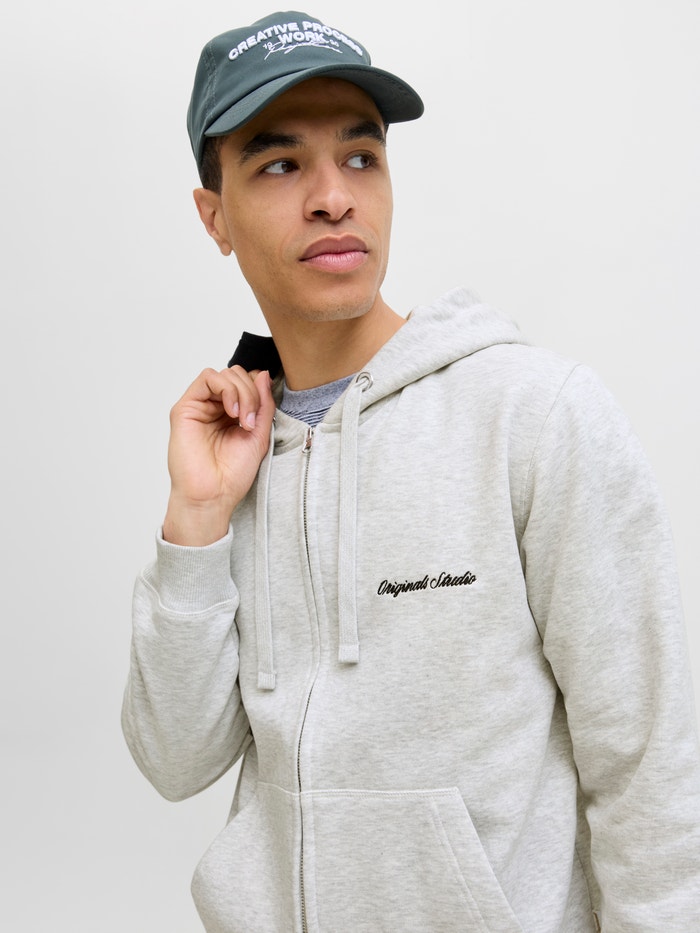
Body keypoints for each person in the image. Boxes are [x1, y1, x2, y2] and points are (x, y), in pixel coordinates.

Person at [122, 10, 700, 932]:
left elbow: (652, 767)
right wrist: (196, 519)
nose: (333, 197)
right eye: (280, 165)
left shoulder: (533, 415)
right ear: (214, 216)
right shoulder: (239, 454)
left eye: (361, 157)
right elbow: (175, 759)